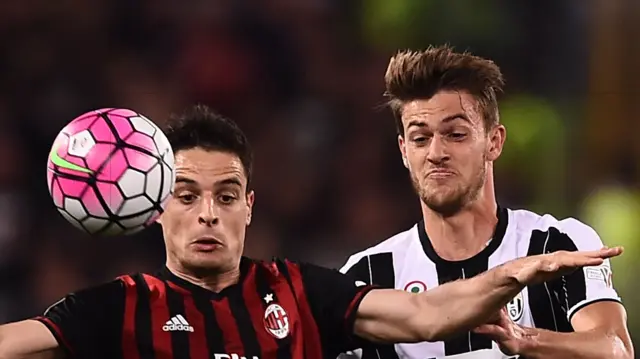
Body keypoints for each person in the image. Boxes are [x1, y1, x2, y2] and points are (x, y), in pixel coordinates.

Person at [0, 105, 622, 359]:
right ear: (157, 207)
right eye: (186, 196)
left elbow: (427, 316)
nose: (208, 214)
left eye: (225, 196)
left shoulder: (300, 293)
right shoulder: (117, 309)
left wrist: (514, 272)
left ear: (250, 207)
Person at [339, 45, 634, 359]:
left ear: (494, 142)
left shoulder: (556, 244)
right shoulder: (367, 275)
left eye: (455, 134)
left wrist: (526, 341)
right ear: (403, 151)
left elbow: (615, 349)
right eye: (420, 138)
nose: (436, 153)